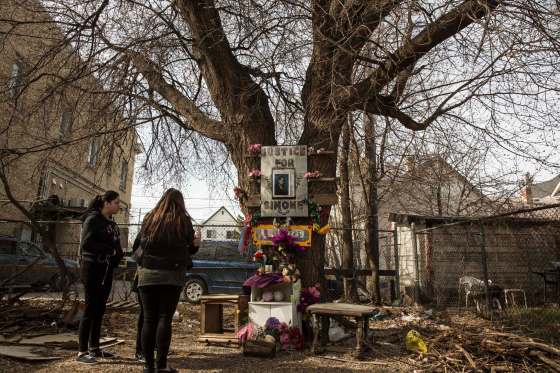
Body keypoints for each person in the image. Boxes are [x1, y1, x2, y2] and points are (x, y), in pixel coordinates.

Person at [134, 188, 200, 373]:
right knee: (165, 319)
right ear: (180, 202)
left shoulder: (150, 218)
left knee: (149, 319)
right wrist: (196, 245)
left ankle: (148, 366)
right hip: (172, 274)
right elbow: (190, 249)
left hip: (147, 273)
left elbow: (139, 243)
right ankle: (161, 365)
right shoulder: (183, 221)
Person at [76, 191, 124, 364]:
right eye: (117, 202)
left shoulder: (112, 223)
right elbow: (87, 244)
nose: (119, 206)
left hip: (106, 269)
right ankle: (82, 352)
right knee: (90, 309)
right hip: (92, 269)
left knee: (100, 309)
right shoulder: (93, 220)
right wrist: (108, 250)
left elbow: (116, 245)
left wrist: (118, 254)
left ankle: (94, 348)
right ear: (106, 203)